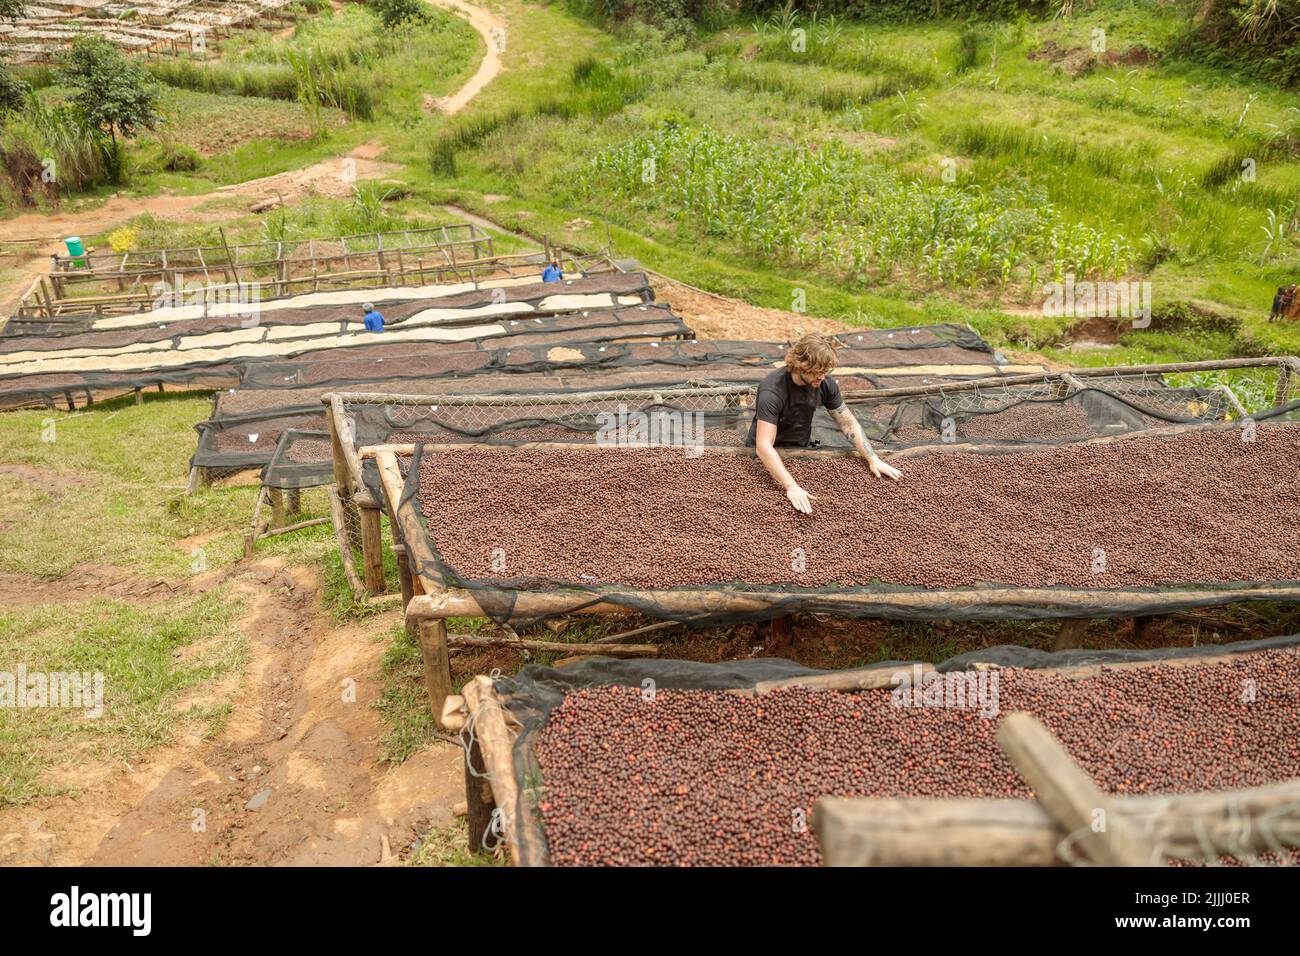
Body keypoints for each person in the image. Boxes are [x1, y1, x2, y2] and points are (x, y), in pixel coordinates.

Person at [747, 333, 903, 514]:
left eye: (825, 372)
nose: (822, 377)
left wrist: (873, 458)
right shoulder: (772, 390)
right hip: (762, 459)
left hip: (799, 451)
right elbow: (763, 446)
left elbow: (848, 423)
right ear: (800, 365)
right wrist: (791, 486)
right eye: (817, 371)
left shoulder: (824, 383)